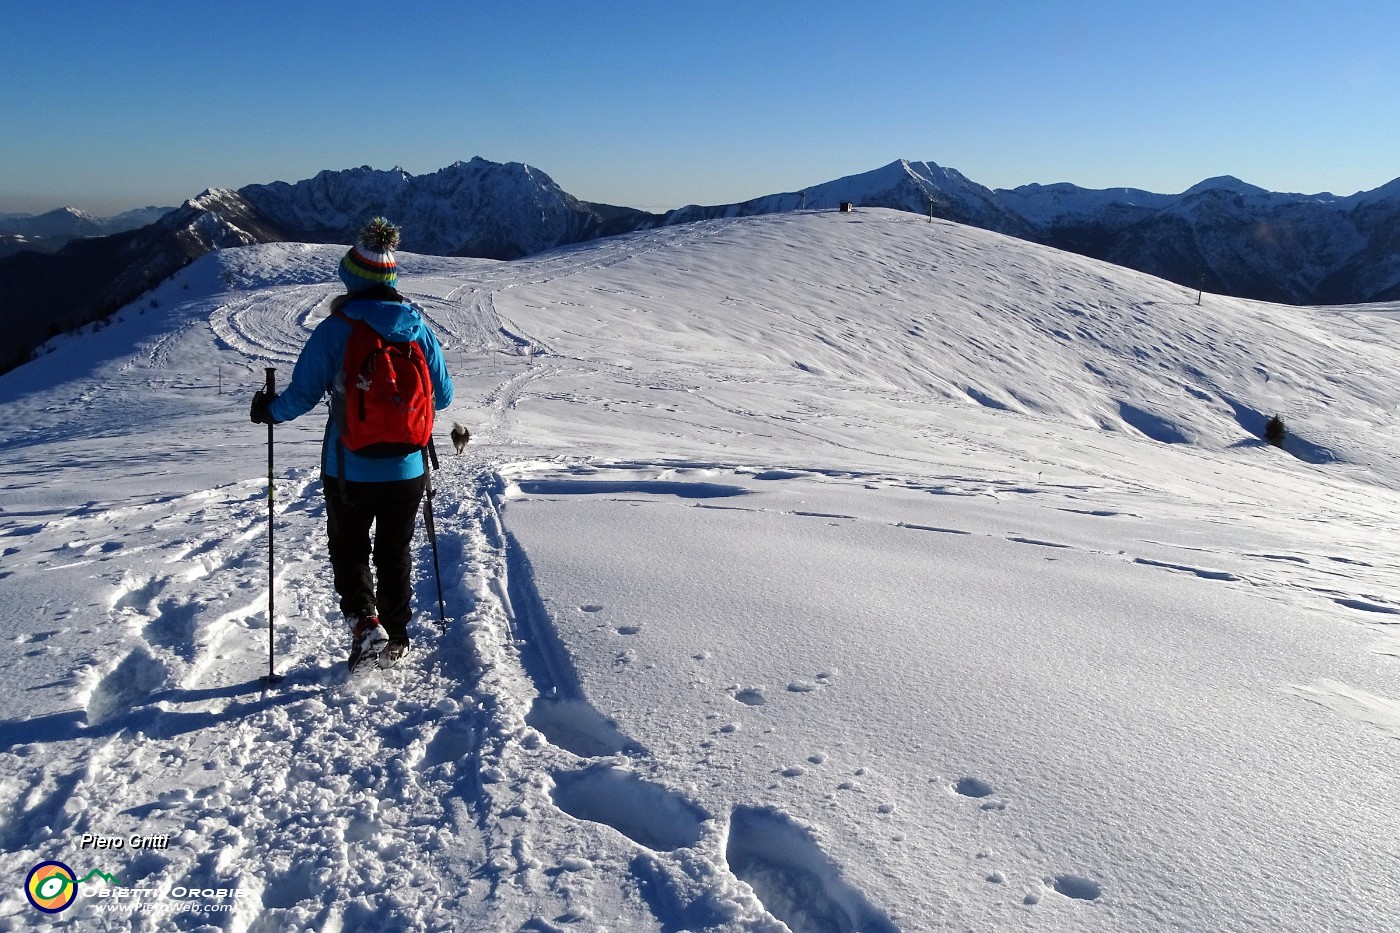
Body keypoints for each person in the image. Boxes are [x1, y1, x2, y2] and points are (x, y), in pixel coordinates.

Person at [251, 218, 453, 670]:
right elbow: (444, 394)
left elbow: (300, 397)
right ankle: (396, 638)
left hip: (348, 468)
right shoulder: (418, 327)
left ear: (350, 279)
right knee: (395, 552)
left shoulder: (335, 329)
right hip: (408, 467)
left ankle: (366, 624)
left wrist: (268, 411)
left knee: (349, 548)